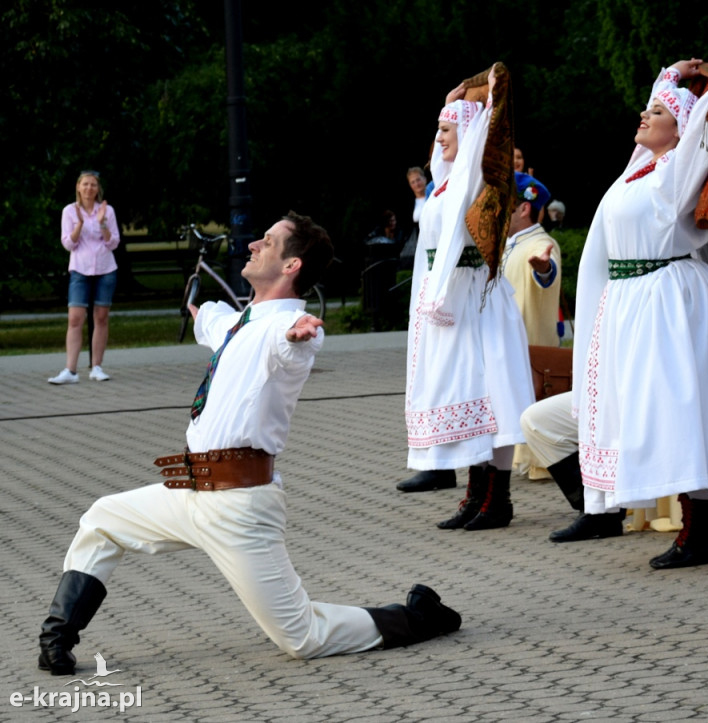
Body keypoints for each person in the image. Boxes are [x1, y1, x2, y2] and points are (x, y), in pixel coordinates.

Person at [37, 212, 461, 675]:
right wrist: (202, 315)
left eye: (269, 241)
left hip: (240, 507)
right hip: (190, 493)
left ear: (291, 265)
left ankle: (417, 617)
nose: (255, 244)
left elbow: (291, 345)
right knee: (102, 519)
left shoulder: (289, 328)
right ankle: (55, 640)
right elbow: (215, 324)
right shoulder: (241, 322)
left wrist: (297, 338)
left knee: (302, 637)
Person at [572, 57, 708, 570]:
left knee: (683, 413)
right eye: (645, 108)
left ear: (679, 127)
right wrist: (669, 75)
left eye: (656, 110)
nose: (644, 115)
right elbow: (666, 114)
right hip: (633, 303)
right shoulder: (636, 173)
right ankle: (694, 531)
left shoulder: (678, 171)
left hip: (668, 300)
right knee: (659, 416)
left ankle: (699, 533)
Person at [524, 275, 708, 542]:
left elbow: (691, 276)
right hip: (612, 400)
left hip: (664, 403)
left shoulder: (658, 268)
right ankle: (603, 512)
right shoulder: (612, 254)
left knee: (701, 502)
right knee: (537, 420)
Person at [403, 64, 534, 529]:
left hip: (476, 299)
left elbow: (490, 131)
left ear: (470, 132)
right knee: (468, 396)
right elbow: (442, 158)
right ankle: (476, 493)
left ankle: (498, 499)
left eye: (446, 130)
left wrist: (486, 101)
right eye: (437, 130)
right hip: (449, 304)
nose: (438, 138)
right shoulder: (443, 185)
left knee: (491, 395)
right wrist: (449, 101)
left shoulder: (480, 177)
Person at [49, 171, 120, 384]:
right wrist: (79, 225)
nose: (89, 188)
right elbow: (68, 244)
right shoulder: (70, 211)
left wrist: (102, 224)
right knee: (75, 318)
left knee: (101, 317)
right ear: (78, 187)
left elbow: (113, 242)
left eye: (93, 185)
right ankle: (70, 370)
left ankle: (97, 367)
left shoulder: (107, 211)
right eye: (85, 184)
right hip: (80, 269)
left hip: (105, 269)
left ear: (98, 189)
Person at [502, 172, 561, 347]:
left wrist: (545, 270)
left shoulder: (541, 242)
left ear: (524, 209)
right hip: (509, 350)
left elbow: (548, 270)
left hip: (531, 357)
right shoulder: (504, 245)